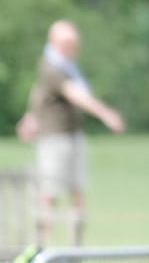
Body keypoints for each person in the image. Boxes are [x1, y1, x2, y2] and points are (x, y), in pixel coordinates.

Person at [17, 20, 125, 246]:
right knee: (50, 193)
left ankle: (76, 247)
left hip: (73, 135)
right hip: (54, 138)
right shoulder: (52, 66)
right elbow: (75, 95)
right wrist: (106, 114)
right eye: (69, 42)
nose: (74, 47)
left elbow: (38, 93)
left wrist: (30, 117)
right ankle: (44, 247)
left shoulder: (67, 66)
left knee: (78, 192)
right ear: (57, 42)